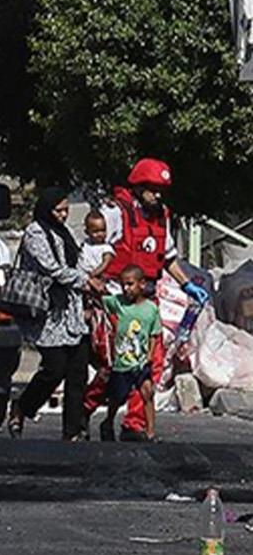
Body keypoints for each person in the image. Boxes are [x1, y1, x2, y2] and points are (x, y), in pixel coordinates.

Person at [89, 158, 209, 441]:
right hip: (118, 300)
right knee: (114, 365)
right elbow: (94, 245)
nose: (157, 195)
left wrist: (188, 285)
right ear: (139, 186)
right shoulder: (116, 213)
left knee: (149, 364)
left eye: (161, 191)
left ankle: (135, 424)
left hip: (147, 303)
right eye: (153, 189)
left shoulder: (161, 216)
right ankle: (86, 408)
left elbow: (167, 258)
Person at [7, 189, 101, 441]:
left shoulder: (65, 234)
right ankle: (23, 406)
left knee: (77, 372)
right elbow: (51, 268)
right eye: (57, 210)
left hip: (72, 311)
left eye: (65, 210)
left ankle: (73, 431)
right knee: (54, 369)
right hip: (50, 311)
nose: (62, 215)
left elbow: (77, 263)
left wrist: (88, 283)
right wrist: (84, 281)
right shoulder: (35, 233)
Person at [98, 266, 162, 442]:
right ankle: (108, 421)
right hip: (123, 362)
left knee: (147, 393)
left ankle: (150, 432)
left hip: (141, 362)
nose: (126, 289)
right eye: (123, 285)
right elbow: (102, 300)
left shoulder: (151, 309)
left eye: (130, 284)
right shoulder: (118, 303)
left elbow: (154, 334)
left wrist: (150, 356)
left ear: (142, 284)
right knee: (117, 397)